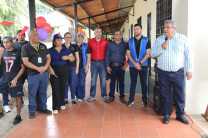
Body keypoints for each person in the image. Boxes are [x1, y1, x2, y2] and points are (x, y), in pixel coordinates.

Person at [150, 20, 193, 124]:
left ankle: (180, 115)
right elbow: (152, 54)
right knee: (165, 95)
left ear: (174, 29)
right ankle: (166, 115)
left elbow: (188, 55)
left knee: (180, 95)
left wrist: (189, 70)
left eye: (168, 27)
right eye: (164, 27)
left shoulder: (182, 38)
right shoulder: (160, 39)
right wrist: (161, 47)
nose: (165, 29)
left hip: (178, 72)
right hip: (163, 73)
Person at [21, 29, 52, 119]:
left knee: (43, 91)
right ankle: (32, 110)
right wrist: (38, 68)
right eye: (35, 35)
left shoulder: (43, 46)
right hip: (33, 74)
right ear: (30, 37)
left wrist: (45, 67)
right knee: (32, 93)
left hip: (44, 73)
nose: (38, 36)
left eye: (38, 35)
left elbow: (48, 58)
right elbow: (25, 62)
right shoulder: (25, 48)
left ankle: (43, 108)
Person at [0, 36, 25, 124]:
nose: (5, 44)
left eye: (7, 42)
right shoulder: (2, 52)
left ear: (12, 42)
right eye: (4, 42)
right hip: (4, 79)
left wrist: (15, 79)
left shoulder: (18, 52)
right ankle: (2, 110)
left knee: (18, 97)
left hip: (15, 79)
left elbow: (23, 68)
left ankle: (18, 116)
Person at [126, 24, 151, 107]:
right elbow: (128, 54)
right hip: (133, 66)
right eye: (134, 29)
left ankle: (144, 100)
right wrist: (135, 63)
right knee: (133, 83)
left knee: (143, 83)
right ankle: (131, 100)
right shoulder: (130, 41)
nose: (135, 31)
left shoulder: (146, 40)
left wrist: (139, 63)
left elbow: (148, 54)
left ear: (141, 30)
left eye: (137, 29)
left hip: (143, 65)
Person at [49, 34, 75, 114]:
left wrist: (67, 57)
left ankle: (62, 103)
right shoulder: (50, 50)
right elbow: (47, 61)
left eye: (61, 40)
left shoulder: (65, 49)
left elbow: (73, 58)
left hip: (64, 70)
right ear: (54, 41)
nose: (60, 41)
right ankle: (55, 107)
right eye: (58, 40)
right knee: (55, 88)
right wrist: (50, 69)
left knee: (63, 87)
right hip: (54, 70)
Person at [105, 30, 128, 104]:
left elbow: (130, 55)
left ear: (121, 35)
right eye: (117, 34)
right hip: (112, 66)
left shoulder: (125, 44)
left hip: (121, 66)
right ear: (114, 36)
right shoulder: (110, 45)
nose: (118, 36)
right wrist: (107, 66)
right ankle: (111, 96)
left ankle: (122, 97)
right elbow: (107, 56)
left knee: (121, 82)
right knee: (112, 82)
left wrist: (126, 64)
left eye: (119, 34)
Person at [87, 27, 108, 102]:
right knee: (93, 80)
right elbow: (88, 52)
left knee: (103, 80)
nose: (99, 33)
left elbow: (107, 53)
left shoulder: (105, 42)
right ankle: (92, 96)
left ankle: (104, 95)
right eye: (97, 32)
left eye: (100, 32)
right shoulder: (90, 42)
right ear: (94, 33)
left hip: (102, 63)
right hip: (93, 63)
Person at [74, 32, 91, 101]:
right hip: (75, 67)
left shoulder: (86, 46)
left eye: (81, 37)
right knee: (75, 82)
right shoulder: (73, 46)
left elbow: (88, 57)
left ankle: (81, 96)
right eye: (78, 36)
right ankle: (76, 95)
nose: (80, 38)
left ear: (83, 38)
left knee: (81, 82)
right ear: (77, 37)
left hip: (83, 67)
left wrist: (86, 67)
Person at [63, 32, 79, 105]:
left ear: (71, 38)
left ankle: (73, 98)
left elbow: (77, 58)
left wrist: (77, 68)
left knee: (72, 83)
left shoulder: (74, 46)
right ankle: (65, 98)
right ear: (64, 38)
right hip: (63, 68)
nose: (68, 39)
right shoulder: (61, 46)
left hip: (72, 67)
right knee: (65, 83)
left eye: (69, 37)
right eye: (66, 37)